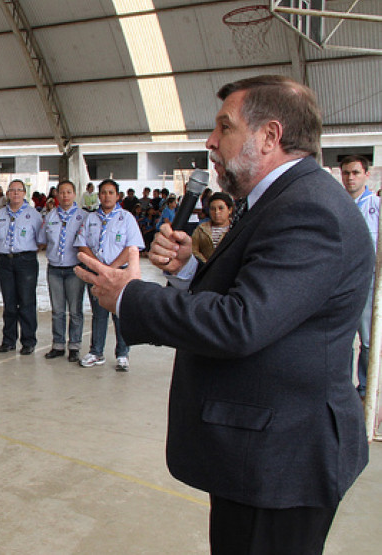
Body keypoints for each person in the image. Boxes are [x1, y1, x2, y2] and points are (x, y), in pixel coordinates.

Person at [77, 75, 371, 554]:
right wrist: (195, 268)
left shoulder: (310, 210)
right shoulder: (280, 200)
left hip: (281, 458)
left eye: (224, 128)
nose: (211, 142)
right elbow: (271, 295)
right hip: (259, 449)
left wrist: (129, 296)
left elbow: (242, 322)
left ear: (270, 136)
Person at [76, 179, 143, 371]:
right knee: (99, 313)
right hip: (96, 273)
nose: (106, 196)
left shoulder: (126, 218)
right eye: (103, 193)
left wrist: (112, 268)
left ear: (118, 196)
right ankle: (96, 352)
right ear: (98, 196)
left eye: (111, 193)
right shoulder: (90, 218)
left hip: (120, 273)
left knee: (120, 313)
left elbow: (132, 246)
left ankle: (122, 354)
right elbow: (82, 244)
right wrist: (98, 267)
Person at [0, 179, 45, 354]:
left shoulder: (34, 215)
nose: (16, 193)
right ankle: (9, 340)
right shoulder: (0, 214)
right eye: (12, 190)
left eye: (19, 190)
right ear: (7, 194)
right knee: (9, 302)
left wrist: (25, 252)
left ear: (24, 193)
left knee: (26, 301)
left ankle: (28, 341)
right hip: (4, 261)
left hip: (25, 261)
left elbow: (41, 241)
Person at [340, 154, 378, 399]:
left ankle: (365, 389)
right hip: (341, 280)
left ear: (366, 174)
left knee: (367, 340)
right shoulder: (338, 203)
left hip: (369, 279)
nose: (350, 178)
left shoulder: (376, 204)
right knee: (342, 338)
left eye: (355, 172)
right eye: (346, 173)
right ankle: (342, 387)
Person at [40, 180, 88, 362]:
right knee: (57, 310)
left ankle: (74, 346)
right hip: (54, 269)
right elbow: (43, 239)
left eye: (68, 192)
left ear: (74, 194)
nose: (65, 195)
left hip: (74, 268)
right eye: (62, 192)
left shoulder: (83, 217)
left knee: (75, 310)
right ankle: (58, 344)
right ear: (57, 195)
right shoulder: (50, 216)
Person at [191, 191, 233, 263]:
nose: (217, 212)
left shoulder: (236, 228)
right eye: (213, 209)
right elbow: (193, 249)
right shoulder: (201, 229)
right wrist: (206, 263)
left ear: (229, 210)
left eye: (221, 208)